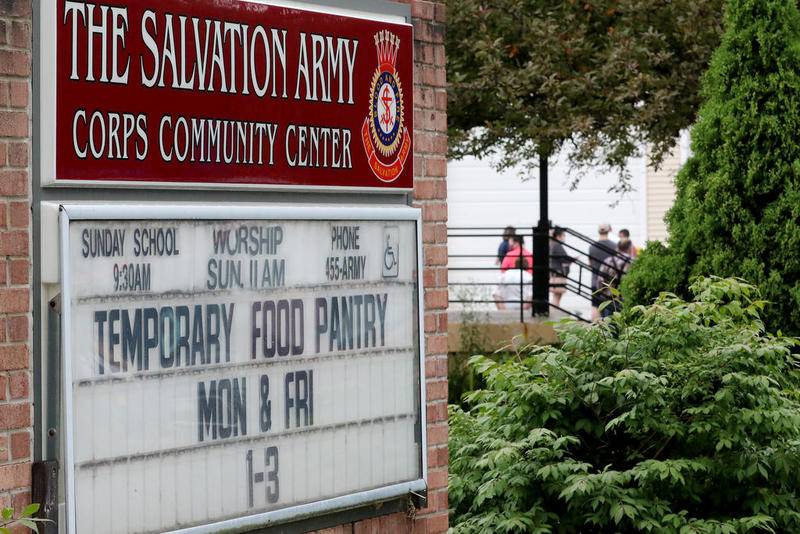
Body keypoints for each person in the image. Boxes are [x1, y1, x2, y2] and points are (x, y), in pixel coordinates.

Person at [597, 239, 633, 318]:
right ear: (629, 248)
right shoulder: (632, 262)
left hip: (609, 297)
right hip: (625, 298)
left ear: (617, 248)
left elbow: (600, 280)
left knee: (608, 323)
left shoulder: (608, 260)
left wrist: (601, 292)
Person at [589, 223, 617, 321]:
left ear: (598, 231)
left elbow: (590, 264)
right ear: (608, 230)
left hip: (595, 280)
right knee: (611, 306)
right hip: (610, 282)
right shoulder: (614, 246)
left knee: (595, 306)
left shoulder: (592, 247)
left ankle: (597, 330)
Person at [549, 227, 575, 308]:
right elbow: (564, 259)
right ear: (558, 236)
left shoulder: (552, 244)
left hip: (555, 273)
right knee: (557, 296)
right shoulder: (557, 245)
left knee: (556, 296)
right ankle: (554, 310)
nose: (564, 237)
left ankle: (554, 309)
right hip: (558, 274)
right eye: (563, 235)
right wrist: (573, 259)